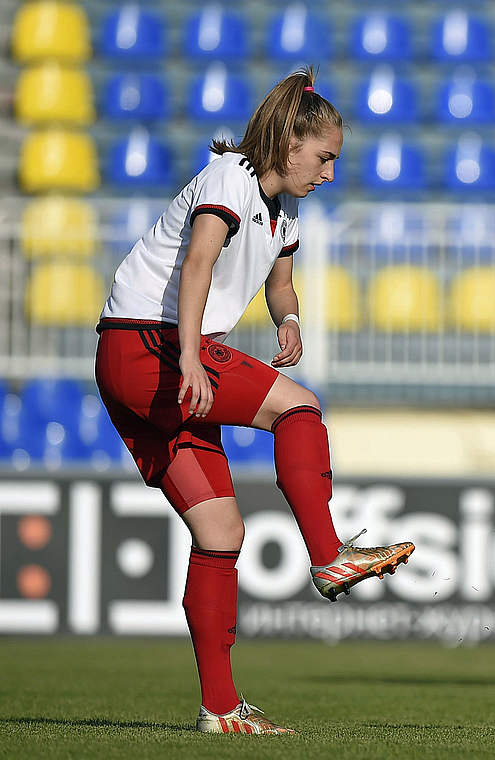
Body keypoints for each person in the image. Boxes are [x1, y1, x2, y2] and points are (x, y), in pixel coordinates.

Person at [94, 69, 415, 735]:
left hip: (137, 360)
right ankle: (328, 556)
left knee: (222, 535)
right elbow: (199, 265)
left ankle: (220, 709)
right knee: (298, 407)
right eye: (324, 158)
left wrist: (288, 319)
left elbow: (281, 283)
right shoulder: (230, 176)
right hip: (146, 345)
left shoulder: (284, 209)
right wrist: (187, 357)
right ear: (291, 140)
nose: (328, 174)